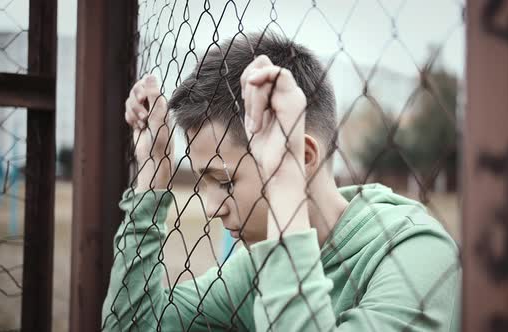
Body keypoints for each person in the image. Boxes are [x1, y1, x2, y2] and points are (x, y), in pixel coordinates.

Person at [102, 32, 460, 331]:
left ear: (303, 157)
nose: (211, 209)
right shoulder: (257, 266)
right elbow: (130, 325)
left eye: (225, 182)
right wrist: (152, 175)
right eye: (202, 184)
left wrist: (284, 179)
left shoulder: (417, 255)